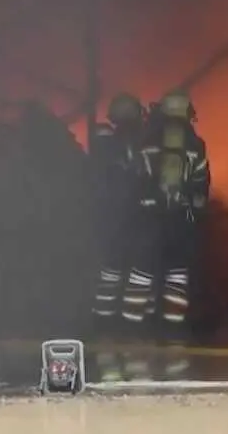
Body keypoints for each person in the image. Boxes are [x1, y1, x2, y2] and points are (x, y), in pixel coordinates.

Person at [123, 90, 211, 338]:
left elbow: (131, 180)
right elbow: (202, 185)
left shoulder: (144, 141)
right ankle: (172, 327)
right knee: (177, 274)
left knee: (141, 273)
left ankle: (132, 328)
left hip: (147, 219)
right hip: (180, 221)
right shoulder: (196, 145)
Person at [89, 93, 147, 326]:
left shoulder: (110, 146)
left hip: (112, 216)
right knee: (135, 267)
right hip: (127, 214)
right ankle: (131, 320)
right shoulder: (126, 147)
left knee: (113, 269)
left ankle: (107, 318)